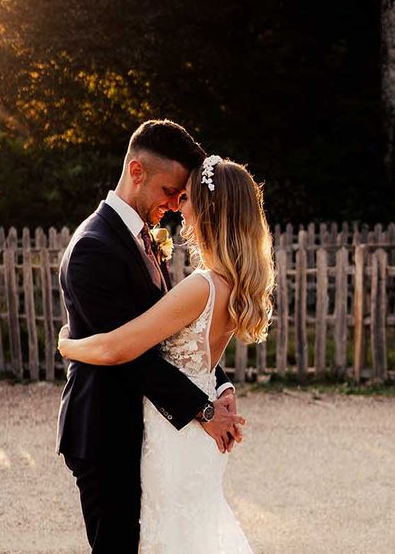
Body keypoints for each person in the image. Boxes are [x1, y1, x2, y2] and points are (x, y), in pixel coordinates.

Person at [59, 152, 275, 553]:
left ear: (209, 211)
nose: (179, 206)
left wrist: (67, 343)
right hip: (193, 435)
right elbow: (195, 355)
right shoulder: (229, 283)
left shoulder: (202, 285)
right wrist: (219, 389)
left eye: (187, 198)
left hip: (176, 436)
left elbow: (118, 346)